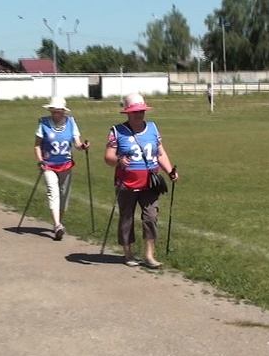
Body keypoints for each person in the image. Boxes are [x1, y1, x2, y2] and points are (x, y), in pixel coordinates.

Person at [104, 93, 178, 268]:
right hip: (126, 184)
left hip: (150, 183)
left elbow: (160, 153)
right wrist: (119, 160)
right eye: (136, 111)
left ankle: (149, 255)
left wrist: (169, 171)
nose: (139, 114)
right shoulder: (117, 131)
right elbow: (108, 157)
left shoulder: (152, 128)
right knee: (126, 218)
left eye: (142, 111)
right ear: (128, 113)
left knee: (151, 217)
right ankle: (128, 253)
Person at [34, 96, 89, 241]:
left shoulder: (71, 122)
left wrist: (82, 146)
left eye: (57, 111)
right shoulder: (44, 124)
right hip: (48, 165)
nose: (55, 114)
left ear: (63, 112)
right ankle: (58, 225)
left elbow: (76, 143)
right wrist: (40, 160)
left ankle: (59, 222)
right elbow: (37, 145)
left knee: (64, 196)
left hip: (65, 165)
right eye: (53, 111)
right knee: (53, 191)